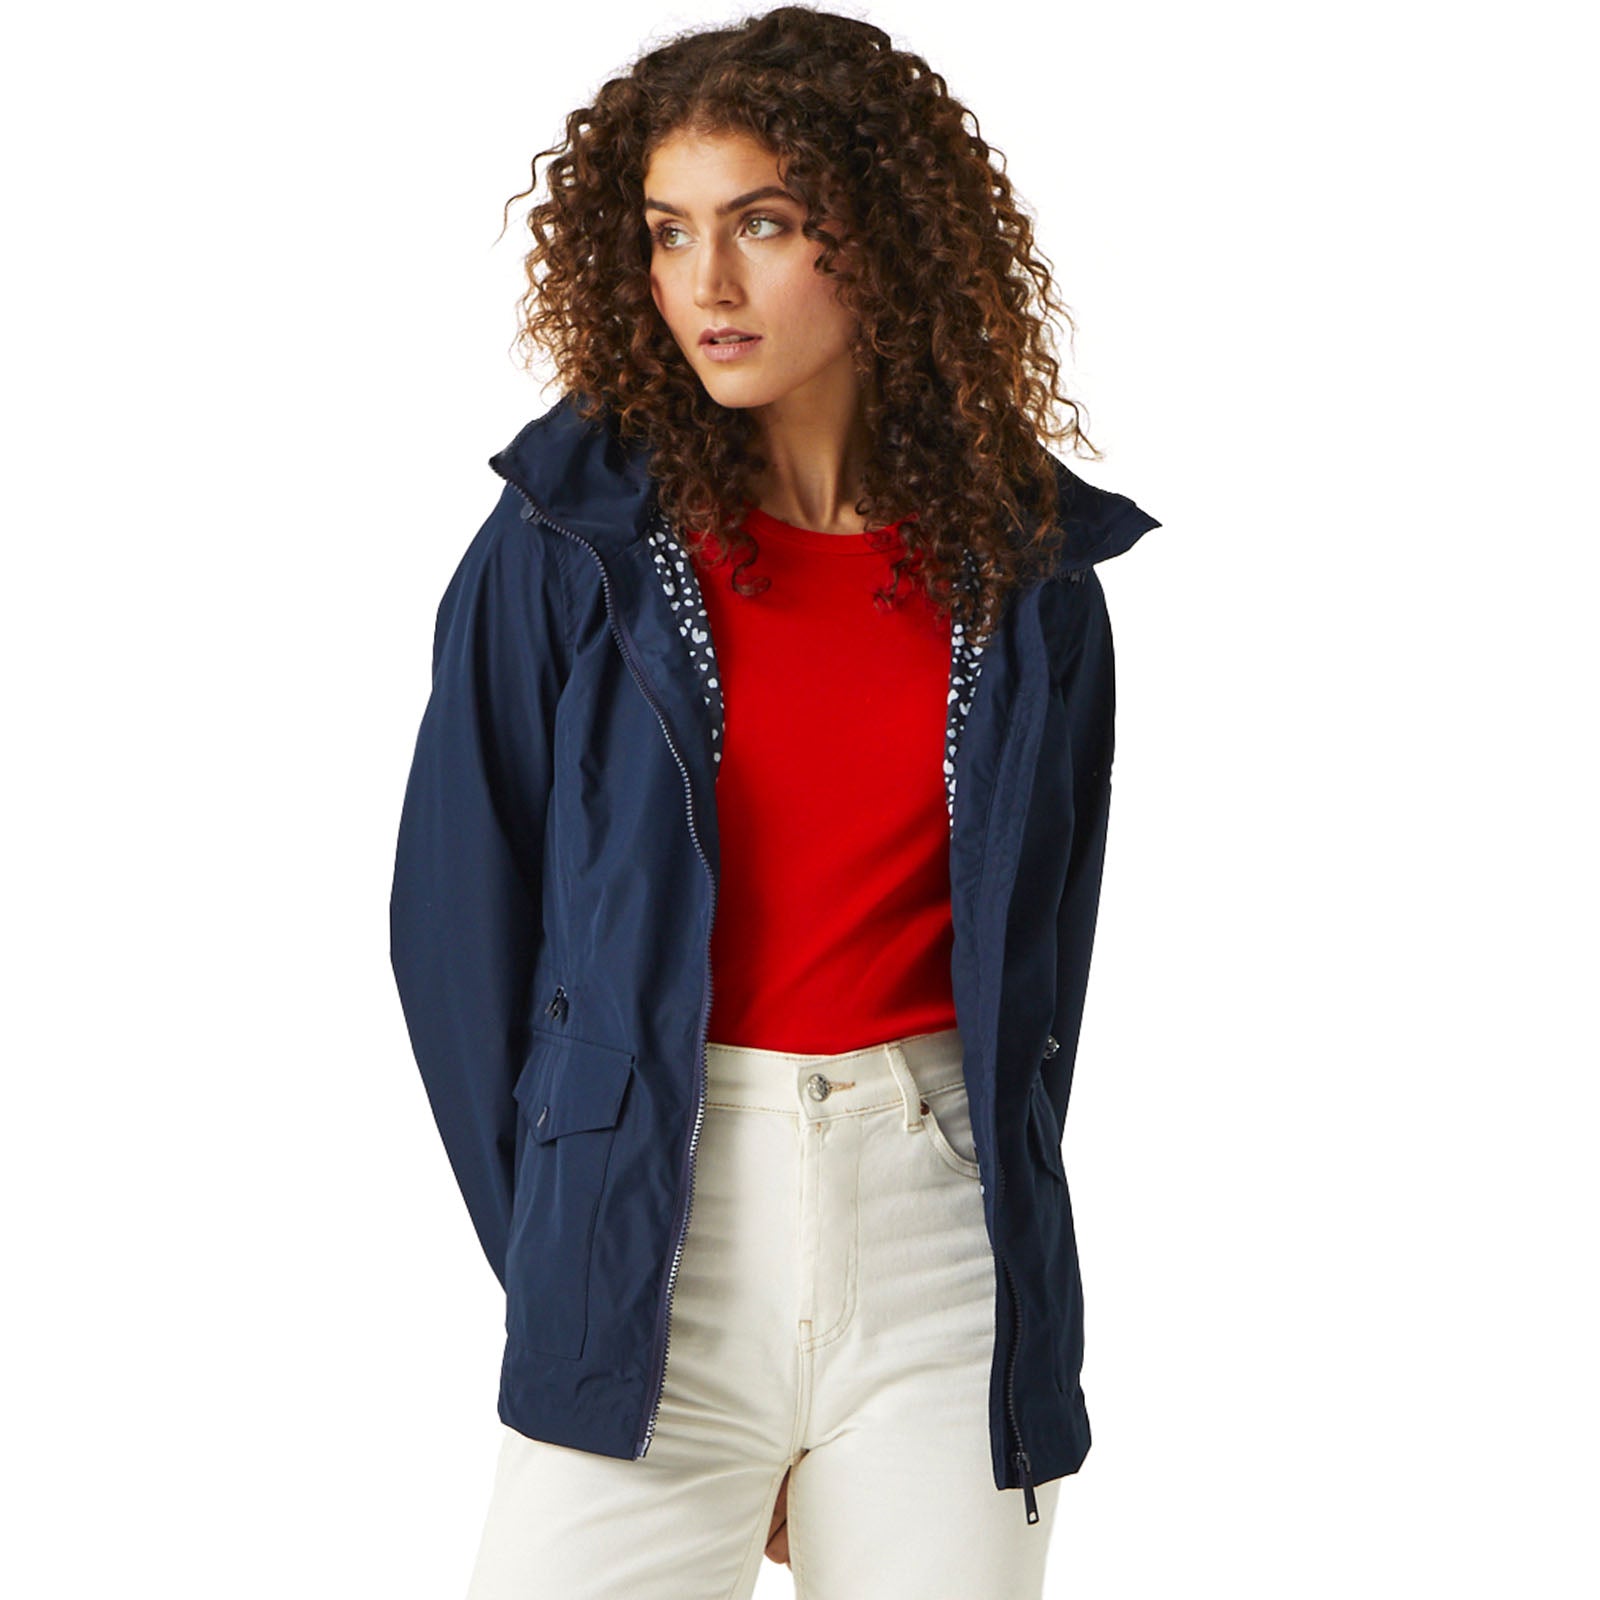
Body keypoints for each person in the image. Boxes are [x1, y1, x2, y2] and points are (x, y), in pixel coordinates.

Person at [388, 7, 1162, 1597]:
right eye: (669, 232)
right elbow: (453, 938)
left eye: (761, 223)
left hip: (940, 1241)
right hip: (648, 1223)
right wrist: (571, 1268)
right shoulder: (571, 545)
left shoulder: (1031, 582)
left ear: (880, 237)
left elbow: (1045, 976)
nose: (707, 284)